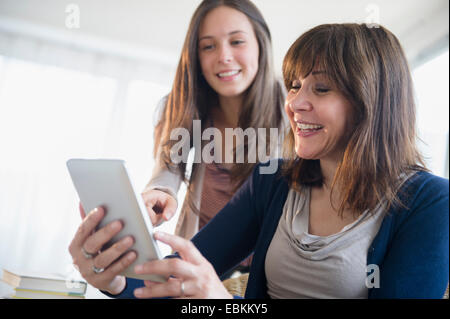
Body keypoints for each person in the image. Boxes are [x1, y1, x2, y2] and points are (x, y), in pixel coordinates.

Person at [71, 23, 449, 298]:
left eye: (320, 88)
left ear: (373, 103)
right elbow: (175, 281)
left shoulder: (430, 202)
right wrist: (113, 280)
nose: (296, 104)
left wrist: (221, 303)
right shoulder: (273, 182)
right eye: (296, 85)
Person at [68, 0, 286, 296]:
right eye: (208, 46)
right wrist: (161, 193)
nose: (224, 56)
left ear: (261, 44)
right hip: (201, 259)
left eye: (237, 42)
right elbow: (168, 168)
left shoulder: (292, 108)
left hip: (265, 274)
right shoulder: (184, 106)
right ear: (194, 55)